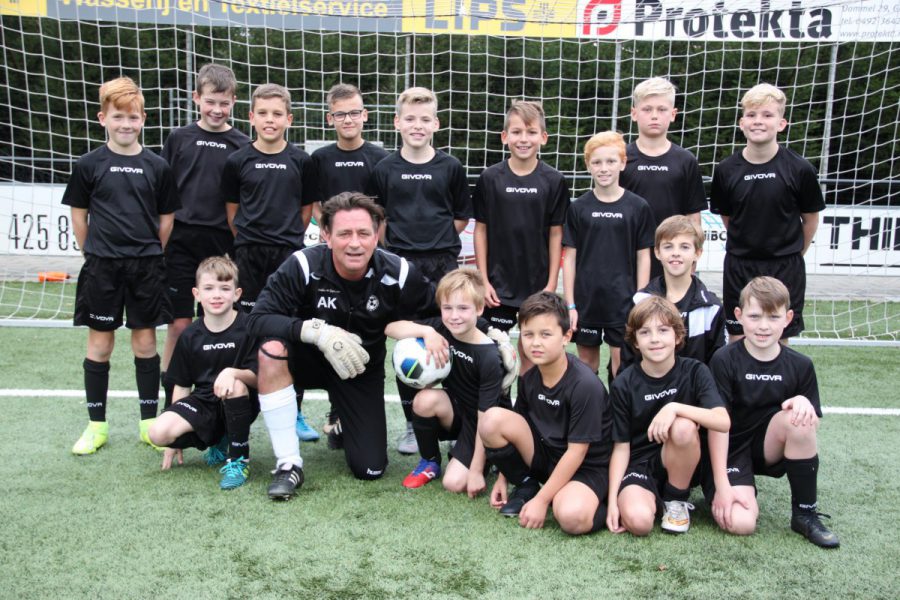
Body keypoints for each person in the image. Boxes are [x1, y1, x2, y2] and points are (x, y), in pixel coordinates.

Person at [246, 192, 436, 500]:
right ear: (326, 235)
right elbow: (257, 320)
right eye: (344, 233)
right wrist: (316, 332)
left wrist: (483, 333)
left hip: (358, 369)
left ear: (377, 234)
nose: (355, 243)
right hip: (306, 360)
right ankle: (288, 465)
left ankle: (342, 423)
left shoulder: (398, 272)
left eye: (363, 233)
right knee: (271, 351)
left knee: (370, 469)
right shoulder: (303, 265)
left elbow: (440, 310)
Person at [63, 76, 179, 455]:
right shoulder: (88, 164)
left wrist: (148, 251)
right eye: (118, 117)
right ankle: (96, 426)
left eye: (132, 117)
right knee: (100, 343)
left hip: (146, 267)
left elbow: (166, 219)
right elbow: (79, 216)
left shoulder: (157, 166)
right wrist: (94, 252)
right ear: (103, 119)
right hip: (102, 267)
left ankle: (148, 423)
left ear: (143, 119)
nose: (125, 124)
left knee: (145, 342)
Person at [370, 86, 472, 455]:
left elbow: (460, 217)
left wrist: (435, 241)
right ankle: (414, 425)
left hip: (443, 263)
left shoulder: (450, 167)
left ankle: (459, 420)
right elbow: (378, 220)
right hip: (401, 264)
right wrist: (398, 250)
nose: (417, 125)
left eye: (425, 119)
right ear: (397, 122)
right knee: (408, 342)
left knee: (454, 334)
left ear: (436, 124)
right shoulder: (384, 169)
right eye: (410, 119)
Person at [705, 276, 839, 548]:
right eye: (754, 316)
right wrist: (722, 485)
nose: (763, 326)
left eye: (773, 317)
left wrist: (803, 403)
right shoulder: (724, 359)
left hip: (769, 446)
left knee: (800, 420)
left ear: (788, 318)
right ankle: (733, 485)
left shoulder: (801, 365)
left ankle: (805, 513)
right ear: (739, 316)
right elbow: (717, 425)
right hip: (731, 449)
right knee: (741, 523)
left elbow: (811, 428)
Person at [477, 291, 611, 535]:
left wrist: (542, 501)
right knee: (491, 420)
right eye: (528, 334)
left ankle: (602, 501)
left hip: (586, 468)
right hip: (547, 458)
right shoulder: (529, 379)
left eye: (545, 334)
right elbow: (518, 427)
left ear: (566, 336)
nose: (535, 343)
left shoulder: (584, 385)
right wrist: (504, 477)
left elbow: (577, 452)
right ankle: (527, 485)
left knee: (571, 518)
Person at [159, 64, 249, 408]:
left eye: (224, 103)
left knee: (224, 322)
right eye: (210, 101)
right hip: (181, 241)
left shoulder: (242, 144)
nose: (217, 109)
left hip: (223, 243)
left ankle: (222, 398)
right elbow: (163, 192)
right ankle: (171, 401)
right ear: (196, 98)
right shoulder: (178, 138)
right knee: (180, 323)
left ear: (234, 102)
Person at [709, 83, 825, 343]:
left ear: (781, 123)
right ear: (742, 123)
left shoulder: (800, 169)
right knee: (738, 338)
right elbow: (728, 217)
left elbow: (810, 219)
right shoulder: (726, 170)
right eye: (751, 115)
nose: (758, 121)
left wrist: (792, 253)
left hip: (785, 265)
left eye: (767, 115)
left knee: (778, 340)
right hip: (740, 264)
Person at [607, 296, 730, 536]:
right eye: (645, 332)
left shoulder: (695, 371)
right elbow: (621, 447)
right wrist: (612, 501)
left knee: (683, 427)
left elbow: (722, 421)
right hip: (640, 464)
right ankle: (650, 499)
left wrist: (675, 408)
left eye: (663, 330)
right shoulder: (623, 383)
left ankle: (676, 499)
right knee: (639, 523)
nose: (655, 339)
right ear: (635, 341)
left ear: (677, 336)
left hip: (682, 460)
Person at [309, 82, 389, 446]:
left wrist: (373, 246)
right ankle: (336, 411)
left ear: (365, 115)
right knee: (333, 331)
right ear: (330, 119)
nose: (348, 119)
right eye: (340, 114)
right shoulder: (319, 159)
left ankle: (365, 409)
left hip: (370, 257)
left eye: (354, 112)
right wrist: (331, 240)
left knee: (371, 329)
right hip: (334, 260)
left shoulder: (380, 158)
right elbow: (315, 206)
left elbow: (384, 210)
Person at [385, 268, 508, 494]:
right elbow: (391, 328)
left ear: (479, 308)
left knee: (453, 483)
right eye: (447, 308)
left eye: (463, 308)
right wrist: (427, 332)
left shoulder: (489, 356)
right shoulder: (442, 328)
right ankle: (429, 461)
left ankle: (489, 458)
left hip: (483, 424)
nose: (454, 315)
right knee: (424, 400)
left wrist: (476, 471)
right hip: (457, 411)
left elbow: (485, 418)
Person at [473, 100, 569, 373]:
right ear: (505, 136)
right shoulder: (490, 178)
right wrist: (483, 280)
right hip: (497, 287)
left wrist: (551, 283)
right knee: (494, 356)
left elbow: (556, 234)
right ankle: (498, 400)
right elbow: (481, 230)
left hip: (537, 285)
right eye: (516, 132)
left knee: (532, 354)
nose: (523, 139)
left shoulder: (554, 180)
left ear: (543, 137)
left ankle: (530, 400)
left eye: (531, 132)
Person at [148, 256, 259, 490]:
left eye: (224, 288)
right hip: (205, 400)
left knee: (235, 385)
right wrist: (174, 440)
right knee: (158, 433)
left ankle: (239, 459)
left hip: (243, 398)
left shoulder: (249, 327)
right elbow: (182, 386)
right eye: (209, 288)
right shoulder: (190, 335)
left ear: (237, 294)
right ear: (197, 294)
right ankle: (218, 438)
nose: (216, 295)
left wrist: (233, 373)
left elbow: (260, 379)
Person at [562, 131, 654, 378]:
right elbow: (569, 258)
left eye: (611, 161)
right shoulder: (578, 208)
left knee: (621, 366)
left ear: (623, 163)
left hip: (623, 302)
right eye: (597, 162)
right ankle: (591, 404)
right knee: (586, 365)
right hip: (586, 302)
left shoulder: (638, 207)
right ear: (588, 166)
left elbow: (644, 256)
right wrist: (570, 304)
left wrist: (641, 300)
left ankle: (618, 405)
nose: (604, 168)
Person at [221, 83, 316, 313]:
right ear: (251, 118)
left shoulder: (302, 161)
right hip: (248, 253)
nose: (270, 120)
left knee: (286, 313)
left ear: (289, 119)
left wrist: (289, 236)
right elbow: (232, 210)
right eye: (262, 113)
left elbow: (306, 209)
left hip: (288, 251)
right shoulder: (237, 161)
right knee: (248, 316)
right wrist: (247, 238)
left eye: (277, 114)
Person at [620, 77, 707, 281]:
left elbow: (693, 217)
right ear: (634, 113)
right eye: (647, 109)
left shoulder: (685, 161)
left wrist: (691, 263)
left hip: (671, 258)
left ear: (673, 114)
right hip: (627, 257)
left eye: (661, 109)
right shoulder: (621, 158)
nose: (654, 116)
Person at [622, 215, 725, 369]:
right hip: (649, 384)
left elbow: (716, 366)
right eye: (668, 246)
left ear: (697, 253)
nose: (676, 253)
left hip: (695, 385)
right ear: (657, 252)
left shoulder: (711, 308)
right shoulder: (640, 301)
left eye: (684, 247)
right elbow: (629, 360)